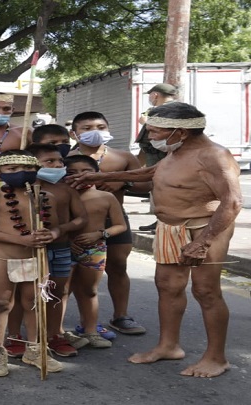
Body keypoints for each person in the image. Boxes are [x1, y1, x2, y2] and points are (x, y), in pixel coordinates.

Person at [69, 102, 242, 378]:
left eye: (157, 131)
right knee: (167, 286)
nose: (151, 136)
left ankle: (216, 357)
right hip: (169, 227)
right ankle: (168, 346)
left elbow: (232, 202)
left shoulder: (213, 155)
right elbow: (150, 173)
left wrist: (203, 242)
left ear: (181, 132)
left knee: (206, 291)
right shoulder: (178, 151)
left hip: (205, 228)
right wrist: (101, 175)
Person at [67, 111, 149, 336]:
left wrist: (122, 182)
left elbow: (147, 183)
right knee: (72, 272)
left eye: (101, 126)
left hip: (114, 219)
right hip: (74, 222)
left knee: (118, 266)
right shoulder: (63, 159)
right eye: (87, 127)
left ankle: (121, 316)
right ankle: (85, 322)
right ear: (74, 133)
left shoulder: (122, 157)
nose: (95, 131)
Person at [0, 150, 62, 376]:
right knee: (2, 303)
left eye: (27, 169)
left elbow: (55, 226)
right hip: (3, 258)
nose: (20, 173)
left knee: (34, 303)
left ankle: (34, 349)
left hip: (36, 257)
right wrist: (20, 239)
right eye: (12, 169)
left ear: (36, 171)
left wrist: (52, 235)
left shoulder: (46, 197)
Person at [3, 142, 88, 358]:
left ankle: (52, 335)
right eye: (50, 161)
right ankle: (14, 335)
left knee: (55, 294)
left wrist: (59, 231)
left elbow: (81, 218)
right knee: (22, 295)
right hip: (25, 252)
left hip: (59, 248)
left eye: (60, 161)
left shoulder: (65, 190)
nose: (58, 165)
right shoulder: (12, 193)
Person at [64, 155, 127, 348]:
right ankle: (56, 333)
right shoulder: (61, 195)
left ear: (97, 174)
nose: (79, 176)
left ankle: (90, 330)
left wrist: (100, 234)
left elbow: (120, 225)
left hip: (94, 249)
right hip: (64, 248)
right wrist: (67, 241)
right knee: (61, 291)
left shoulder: (106, 197)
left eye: (86, 171)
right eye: (72, 173)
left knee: (90, 290)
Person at [136, 83, 177, 232]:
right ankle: (161, 220)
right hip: (153, 153)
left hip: (162, 154)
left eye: (150, 95)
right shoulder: (160, 109)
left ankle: (165, 222)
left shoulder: (170, 109)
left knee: (164, 189)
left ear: (155, 95)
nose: (150, 98)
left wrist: (146, 122)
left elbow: (167, 131)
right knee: (157, 189)